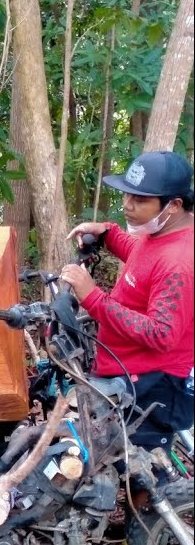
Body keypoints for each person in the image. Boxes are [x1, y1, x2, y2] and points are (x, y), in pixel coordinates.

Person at [61, 150, 195, 452]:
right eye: (126, 195)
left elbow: (162, 333)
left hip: (152, 383)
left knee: (135, 471)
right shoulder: (166, 229)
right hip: (126, 364)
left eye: (140, 199)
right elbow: (146, 257)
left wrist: (94, 298)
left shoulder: (181, 262)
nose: (127, 205)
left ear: (173, 205)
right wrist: (108, 235)